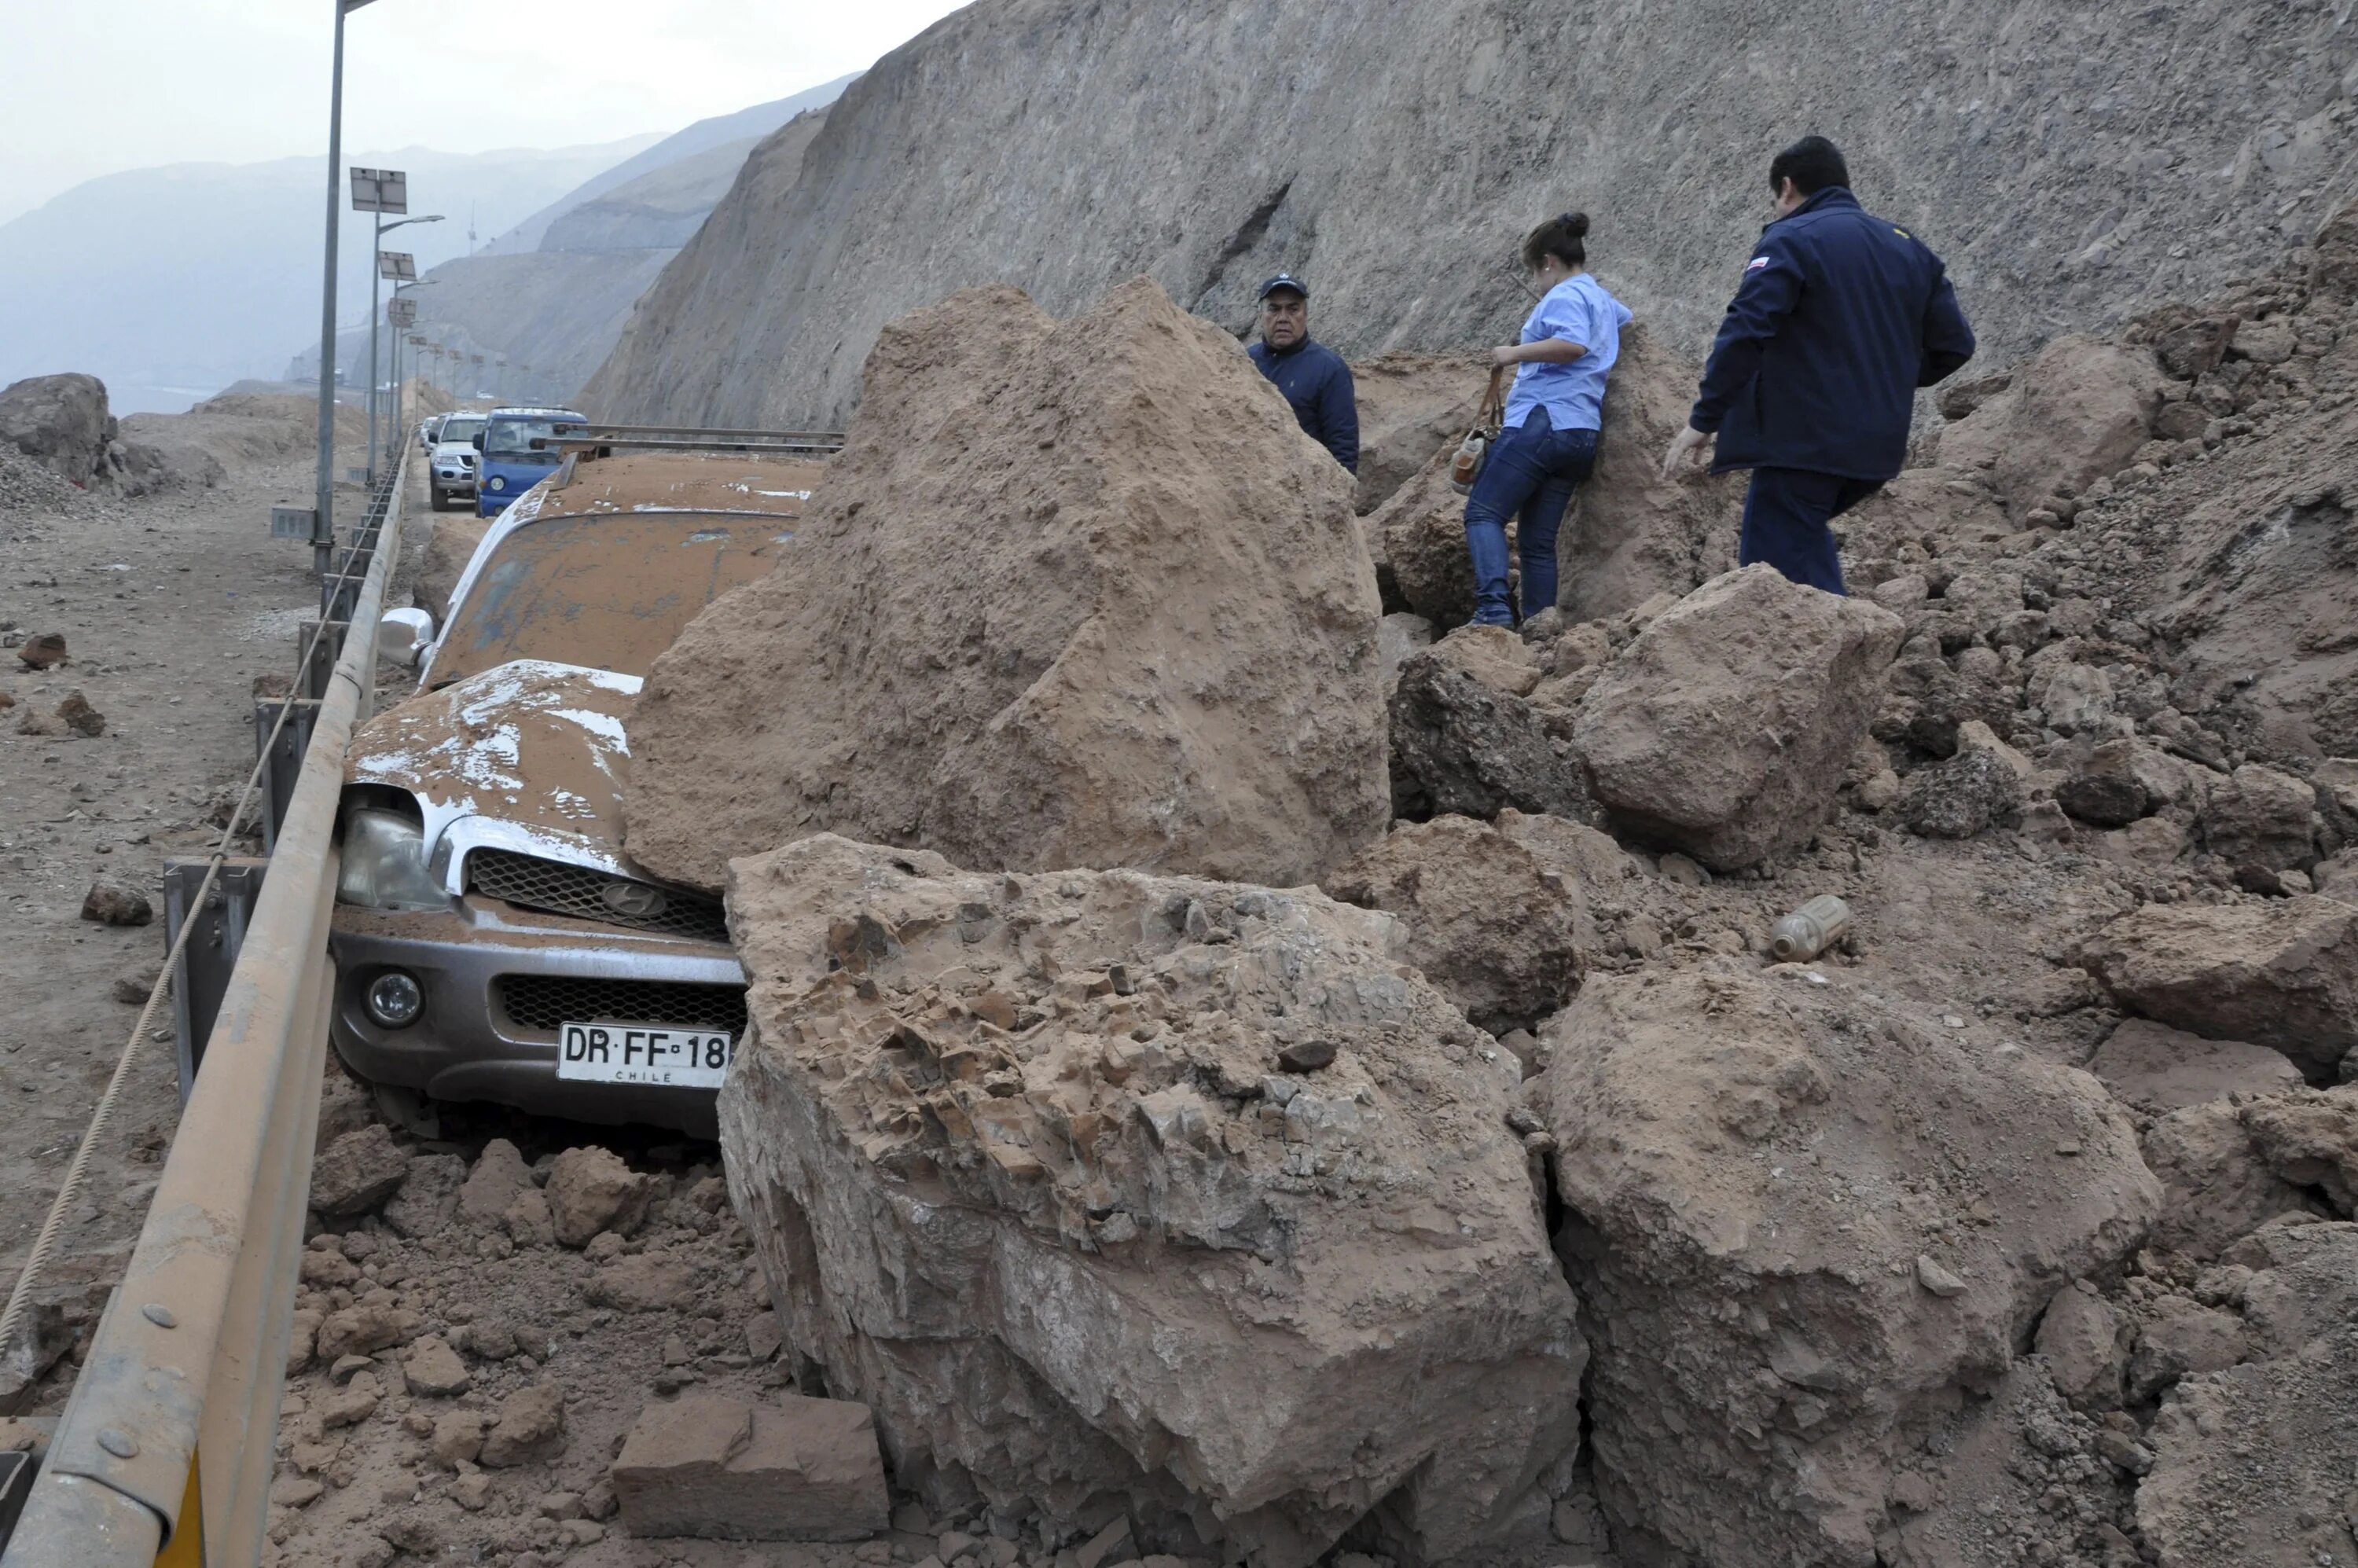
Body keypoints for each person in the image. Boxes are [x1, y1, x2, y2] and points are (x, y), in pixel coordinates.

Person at [1663, 134, 1976, 593]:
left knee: (1773, 580)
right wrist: (1884, 379)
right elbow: (1956, 345)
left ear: (1787, 187)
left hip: (1803, 443)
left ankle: (1822, 654)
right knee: (1800, 544)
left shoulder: (1791, 238)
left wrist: (1704, 418)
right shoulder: (1912, 250)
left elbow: (1746, 330)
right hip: (1876, 447)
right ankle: (1841, 642)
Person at [1462, 211, 1631, 626]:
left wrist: (1512, 353)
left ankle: (1493, 611)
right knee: (1537, 541)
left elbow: (1572, 344)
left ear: (1549, 262)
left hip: (1542, 421)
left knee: (1482, 513)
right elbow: (1624, 318)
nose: (1538, 281)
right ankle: (1540, 625)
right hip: (1580, 434)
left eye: (1536, 272)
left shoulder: (1562, 295)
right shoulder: (1599, 298)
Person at [1247, 274, 1359, 473]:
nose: (1283, 318)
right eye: (1274, 309)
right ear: (1260, 315)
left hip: (1302, 489)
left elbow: (1343, 448)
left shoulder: (1329, 369)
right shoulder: (1243, 362)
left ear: (1305, 315)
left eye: (1293, 309)